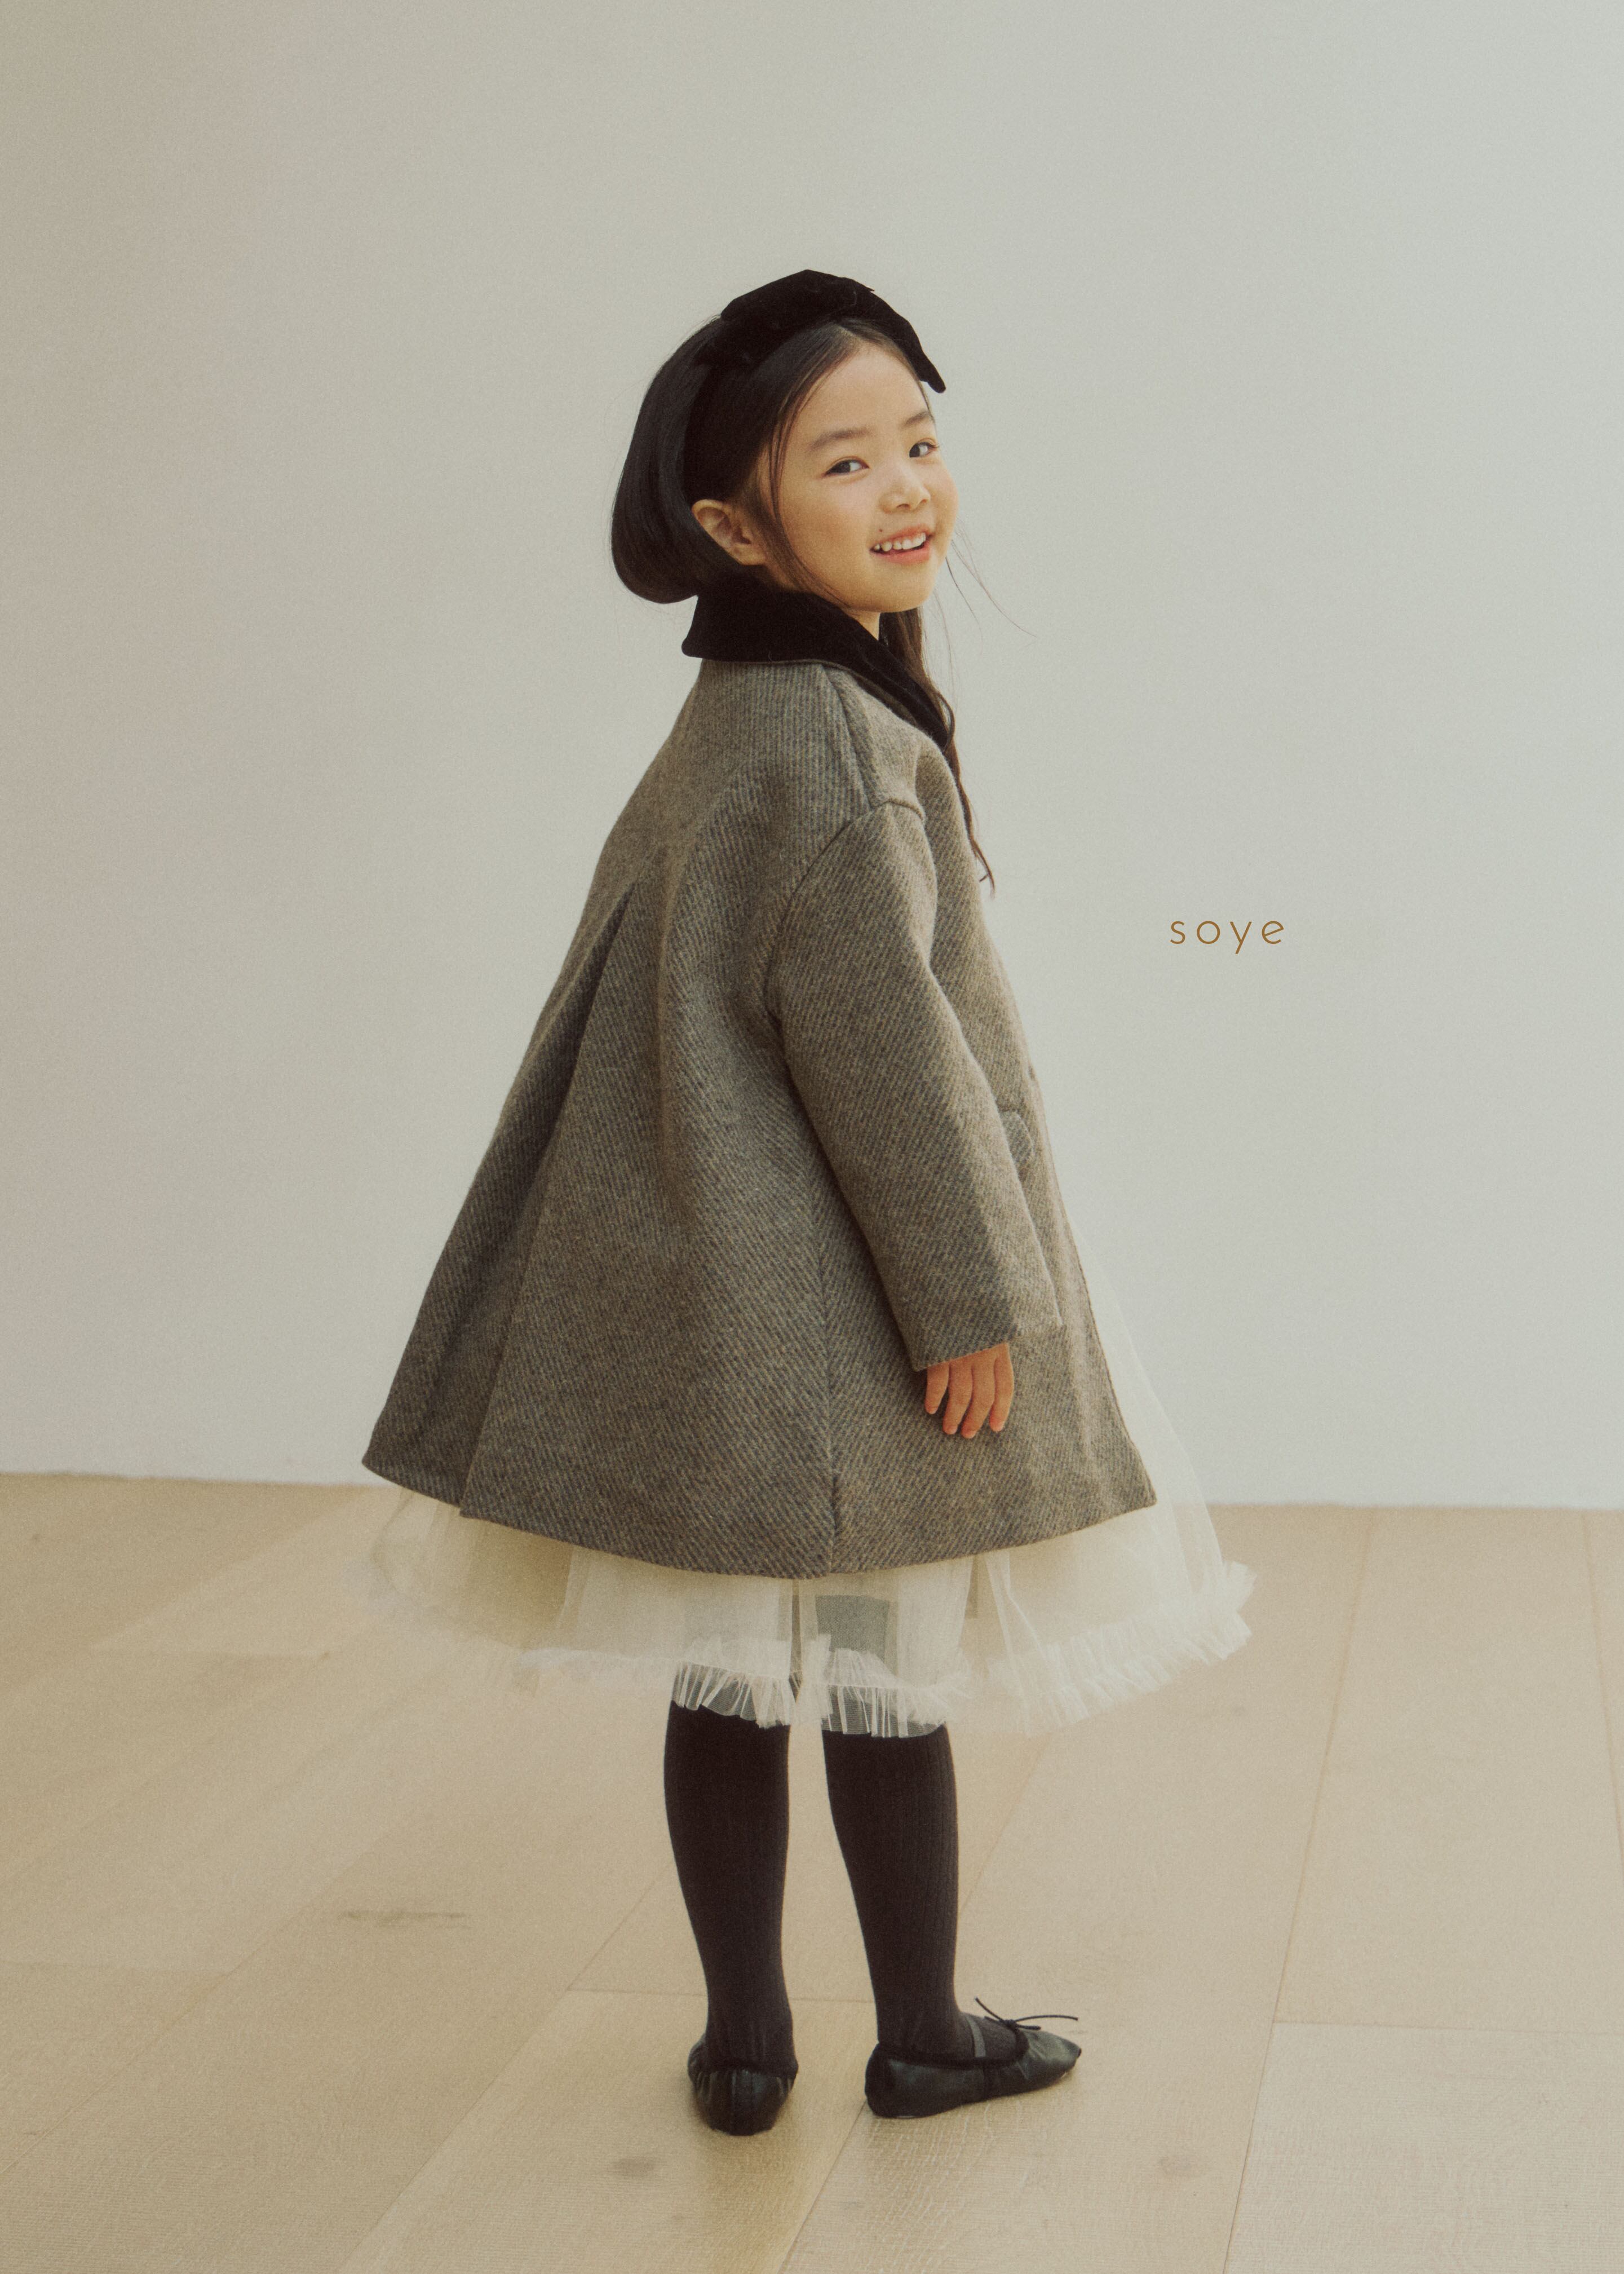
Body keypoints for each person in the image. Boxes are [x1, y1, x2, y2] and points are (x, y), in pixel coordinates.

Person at [350, 270, 1256, 2135]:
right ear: (735, 527)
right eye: (845, 462)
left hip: (719, 1286)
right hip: (838, 1306)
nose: (907, 487)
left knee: (722, 1676)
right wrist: (970, 1299)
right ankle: (921, 2029)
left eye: (919, 440)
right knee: (873, 1677)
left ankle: (744, 2041)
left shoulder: (744, 716)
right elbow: (889, 1061)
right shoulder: (839, 747)